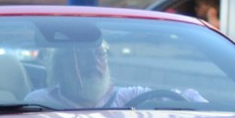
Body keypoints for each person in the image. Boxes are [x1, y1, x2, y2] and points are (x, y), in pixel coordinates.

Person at [24, 40, 204, 109]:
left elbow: (187, 98)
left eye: (100, 54)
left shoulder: (128, 97)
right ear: (63, 64)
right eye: (84, 56)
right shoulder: (40, 103)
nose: (94, 63)